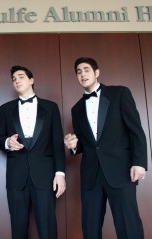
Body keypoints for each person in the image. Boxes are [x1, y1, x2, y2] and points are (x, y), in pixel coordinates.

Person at [64, 57, 147, 239]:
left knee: (129, 226)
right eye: (78, 72)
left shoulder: (120, 94)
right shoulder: (76, 109)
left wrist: (140, 163)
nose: (82, 74)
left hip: (121, 171)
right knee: (90, 229)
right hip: (91, 175)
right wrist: (74, 146)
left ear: (96, 72)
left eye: (86, 69)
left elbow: (136, 131)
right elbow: (85, 145)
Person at [0, 65, 66, 239]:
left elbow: (57, 142)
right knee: (18, 229)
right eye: (14, 79)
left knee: (48, 228)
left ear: (31, 80)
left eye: (20, 77)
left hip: (45, 176)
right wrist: (7, 142)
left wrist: (60, 173)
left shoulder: (51, 107)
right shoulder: (5, 108)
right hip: (16, 177)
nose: (16, 80)